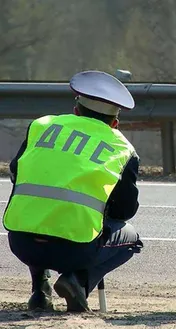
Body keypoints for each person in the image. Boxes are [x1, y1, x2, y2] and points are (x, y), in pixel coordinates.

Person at [3, 70, 143, 312]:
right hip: (74, 250)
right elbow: (125, 211)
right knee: (131, 239)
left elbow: (16, 172)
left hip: (21, 242)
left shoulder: (41, 126)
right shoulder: (123, 148)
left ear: (76, 110)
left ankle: (40, 291)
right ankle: (77, 281)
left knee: (39, 212)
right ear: (115, 123)